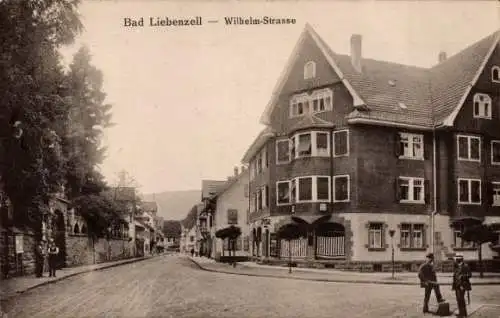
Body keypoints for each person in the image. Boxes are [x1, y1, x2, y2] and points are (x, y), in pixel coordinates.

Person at [452, 253, 472, 317]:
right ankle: (462, 313)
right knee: (458, 299)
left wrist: (462, 276)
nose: (455, 260)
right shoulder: (456, 266)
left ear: (460, 259)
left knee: (461, 299)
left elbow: (469, 275)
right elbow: (455, 275)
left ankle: (463, 314)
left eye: (456, 259)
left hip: (462, 285)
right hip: (456, 285)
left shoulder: (465, 266)